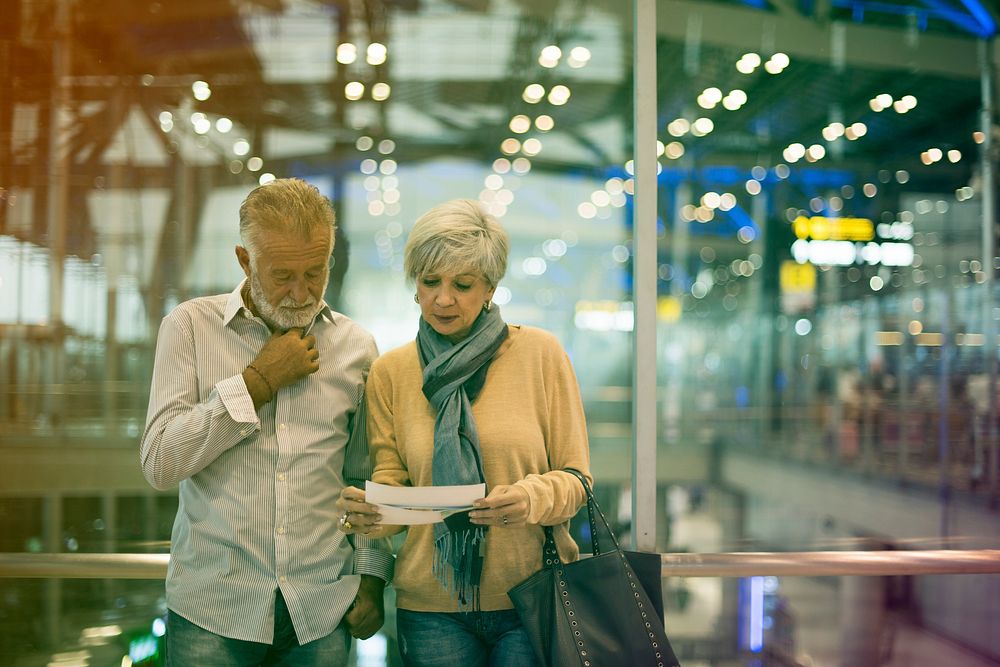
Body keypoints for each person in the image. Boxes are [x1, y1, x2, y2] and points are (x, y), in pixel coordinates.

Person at [140, 178, 393, 666]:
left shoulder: (356, 348)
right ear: (244, 260)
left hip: (321, 610)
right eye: (282, 275)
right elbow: (159, 462)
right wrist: (255, 383)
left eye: (314, 273)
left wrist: (373, 575)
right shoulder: (189, 327)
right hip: (212, 611)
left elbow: (363, 476)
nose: (301, 293)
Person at [335, 199, 592, 666]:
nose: (443, 298)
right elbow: (396, 487)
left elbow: (577, 480)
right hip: (430, 608)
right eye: (430, 282)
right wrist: (373, 512)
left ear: (490, 287)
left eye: (462, 284)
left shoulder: (540, 354)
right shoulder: (392, 372)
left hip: (529, 595)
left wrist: (530, 499)